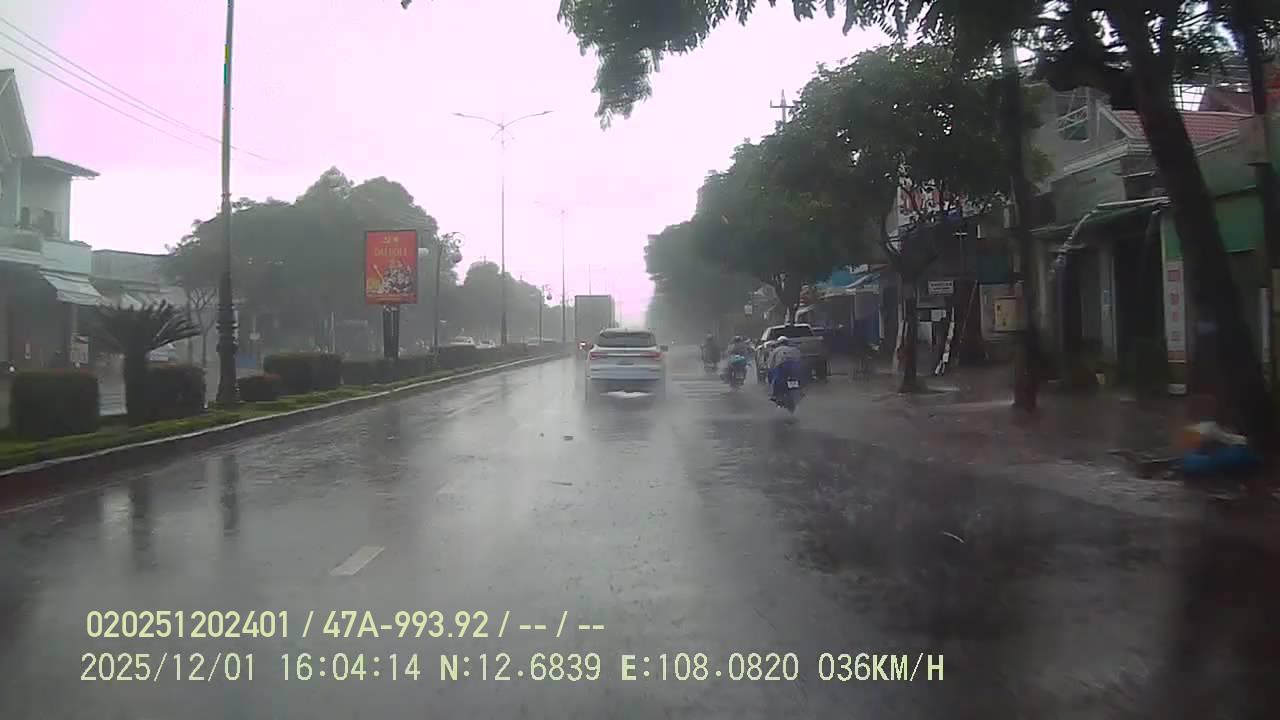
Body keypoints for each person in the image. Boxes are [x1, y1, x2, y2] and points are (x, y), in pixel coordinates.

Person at [766, 336, 804, 400]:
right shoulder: (794, 349)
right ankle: (801, 391)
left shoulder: (776, 350)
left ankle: (775, 395)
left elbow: (770, 363)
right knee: (799, 378)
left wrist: (770, 370)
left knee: (776, 380)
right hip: (794, 366)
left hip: (782, 367)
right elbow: (800, 359)